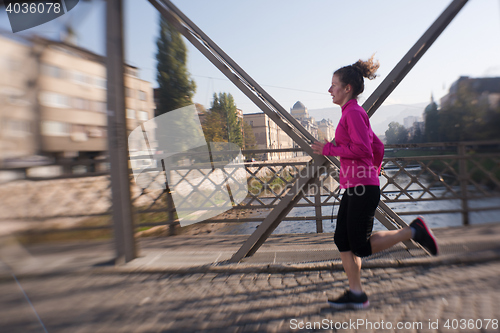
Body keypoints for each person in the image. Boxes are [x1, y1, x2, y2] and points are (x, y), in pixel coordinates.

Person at [311, 55, 439, 310]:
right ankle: (356, 293)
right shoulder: (352, 113)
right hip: (356, 186)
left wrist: (329, 149)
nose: (329, 90)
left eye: (333, 84)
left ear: (347, 89)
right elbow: (377, 146)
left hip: (361, 188)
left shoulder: (354, 114)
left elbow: (361, 149)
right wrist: (373, 170)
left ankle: (415, 231)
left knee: (360, 245)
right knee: (342, 241)